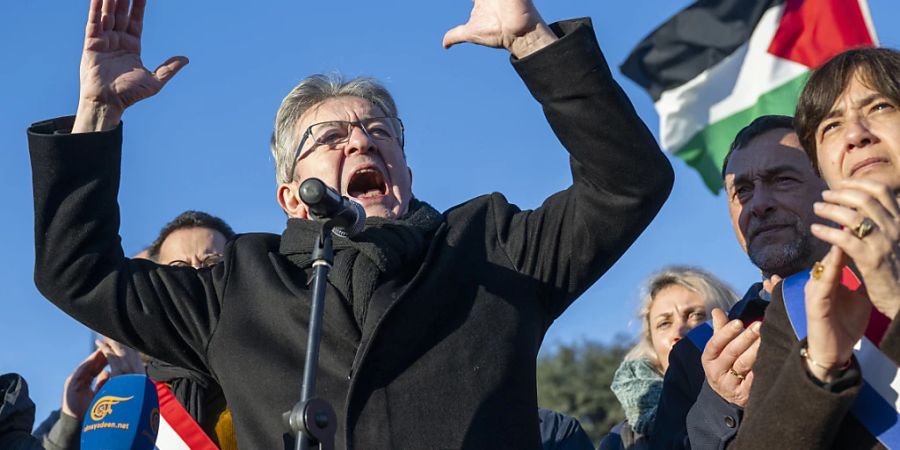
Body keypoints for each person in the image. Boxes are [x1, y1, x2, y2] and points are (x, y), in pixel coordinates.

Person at [26, 0, 673, 448]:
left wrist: (534, 43)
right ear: (291, 196)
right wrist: (97, 114)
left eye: (379, 131)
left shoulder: (492, 248)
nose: (360, 143)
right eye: (329, 136)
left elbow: (630, 183)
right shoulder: (236, 288)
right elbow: (77, 272)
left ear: (406, 169)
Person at [732, 47, 900, 450]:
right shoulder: (797, 304)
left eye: (879, 106)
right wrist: (820, 368)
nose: (856, 134)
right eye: (831, 127)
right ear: (821, 168)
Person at [650, 115, 830, 449]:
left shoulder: (884, 295)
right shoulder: (698, 352)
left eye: (782, 180)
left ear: (831, 186)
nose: (759, 204)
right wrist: (722, 405)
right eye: (742, 190)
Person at [599, 266, 738, 450]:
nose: (679, 331)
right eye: (664, 323)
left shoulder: (770, 395)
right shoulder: (621, 442)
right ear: (651, 344)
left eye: (696, 315)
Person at [143, 210, 237, 449]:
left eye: (212, 262)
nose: (196, 274)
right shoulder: (139, 396)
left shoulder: (268, 366)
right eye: (178, 267)